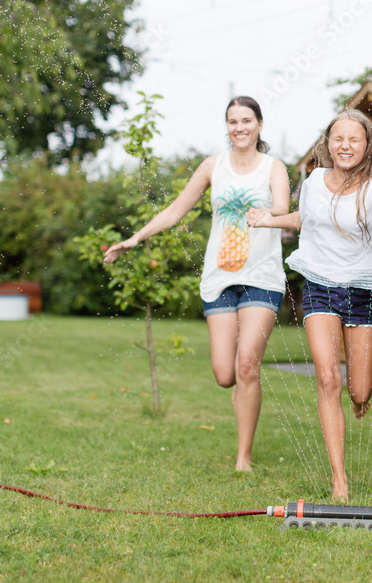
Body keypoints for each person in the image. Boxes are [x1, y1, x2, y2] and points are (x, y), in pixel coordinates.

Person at [247, 109, 372, 500]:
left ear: (367, 146)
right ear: (328, 143)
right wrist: (267, 220)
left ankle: (360, 397)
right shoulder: (313, 181)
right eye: (338, 138)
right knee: (327, 378)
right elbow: (306, 218)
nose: (345, 145)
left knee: (359, 392)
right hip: (320, 286)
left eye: (354, 139)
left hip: (362, 292)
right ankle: (339, 480)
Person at [104, 96, 289, 472]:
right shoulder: (212, 166)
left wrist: (267, 214)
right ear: (227, 127)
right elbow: (175, 210)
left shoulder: (275, 167)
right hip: (219, 278)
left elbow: (285, 210)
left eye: (247, 120)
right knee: (226, 374)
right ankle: (241, 388)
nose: (240, 127)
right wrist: (135, 239)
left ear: (260, 125)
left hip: (261, 276)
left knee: (248, 366)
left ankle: (243, 458)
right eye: (233, 121)